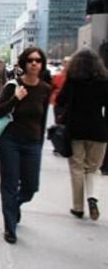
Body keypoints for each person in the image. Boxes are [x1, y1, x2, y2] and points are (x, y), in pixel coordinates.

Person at [0, 47, 51, 244]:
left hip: (32, 143)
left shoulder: (44, 89)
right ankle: (10, 227)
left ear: (42, 64)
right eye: (31, 60)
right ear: (24, 63)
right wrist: (16, 98)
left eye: (38, 60)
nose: (34, 63)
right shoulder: (13, 85)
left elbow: (42, 120)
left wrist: (40, 143)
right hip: (10, 141)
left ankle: (14, 205)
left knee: (31, 187)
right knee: (9, 184)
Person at [56, 47, 108, 221]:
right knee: (93, 168)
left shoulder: (73, 80)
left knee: (77, 167)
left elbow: (60, 99)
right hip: (99, 129)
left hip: (76, 129)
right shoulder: (104, 81)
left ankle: (78, 207)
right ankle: (92, 198)